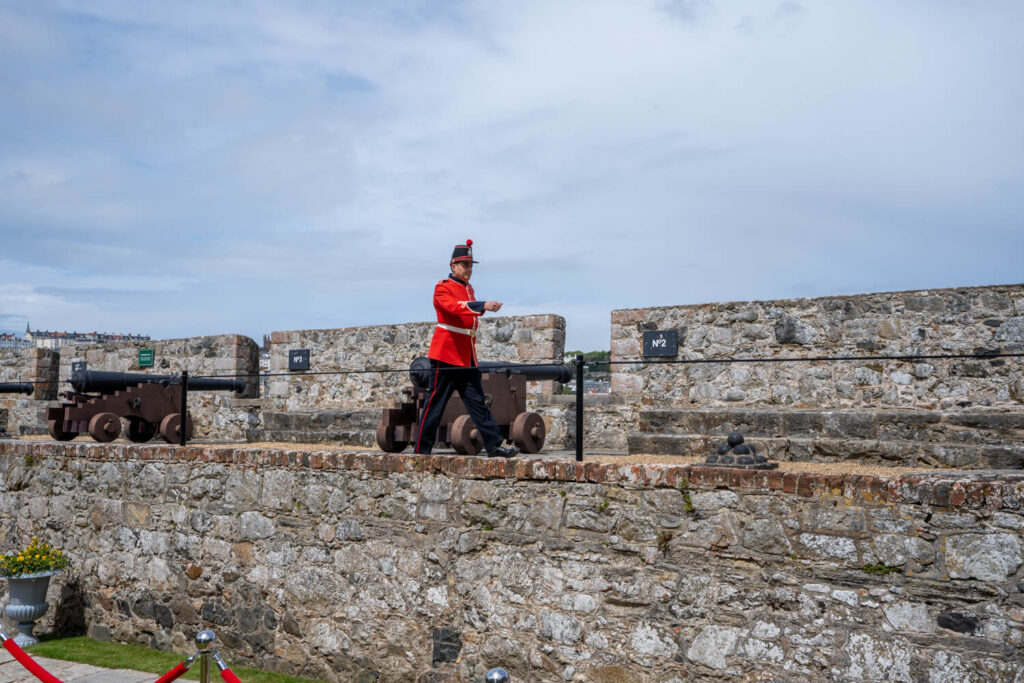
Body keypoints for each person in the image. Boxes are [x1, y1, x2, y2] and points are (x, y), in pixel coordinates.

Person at [414, 239, 520, 457]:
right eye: (464, 265)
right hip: (446, 354)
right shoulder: (442, 287)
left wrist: (480, 306)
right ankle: (421, 449)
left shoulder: (468, 288)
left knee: (478, 403)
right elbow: (454, 308)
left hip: (465, 356)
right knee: (435, 404)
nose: (469, 269)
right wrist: (482, 305)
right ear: (453, 266)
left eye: (470, 265)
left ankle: (492, 445)